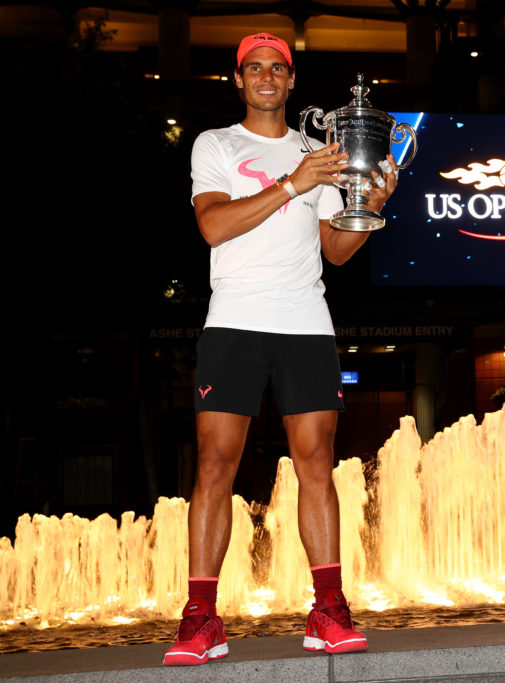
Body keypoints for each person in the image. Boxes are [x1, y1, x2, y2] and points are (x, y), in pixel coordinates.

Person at [163, 32, 397, 666]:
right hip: (234, 320)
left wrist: (370, 205)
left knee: (317, 462)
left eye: (278, 68)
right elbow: (214, 225)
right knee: (215, 464)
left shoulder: (322, 151)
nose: (266, 77)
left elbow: (336, 251)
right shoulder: (216, 144)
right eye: (254, 68)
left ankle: (328, 608)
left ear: (292, 82)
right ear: (238, 80)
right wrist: (292, 185)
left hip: (304, 321)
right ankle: (201, 619)